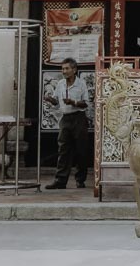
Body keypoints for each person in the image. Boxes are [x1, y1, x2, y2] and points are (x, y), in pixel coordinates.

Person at [43, 57, 90, 190]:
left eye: (67, 68)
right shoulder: (60, 84)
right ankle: (60, 180)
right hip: (65, 118)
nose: (64, 71)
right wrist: (51, 99)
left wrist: (74, 102)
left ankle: (80, 180)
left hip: (79, 118)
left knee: (81, 150)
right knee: (63, 150)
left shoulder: (81, 84)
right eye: (63, 69)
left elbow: (86, 103)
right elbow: (57, 102)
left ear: (74, 70)